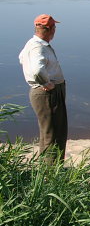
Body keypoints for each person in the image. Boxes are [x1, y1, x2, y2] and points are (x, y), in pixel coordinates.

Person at [19, 14, 67, 162]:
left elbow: (21, 58)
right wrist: (46, 83)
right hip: (47, 93)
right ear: (51, 29)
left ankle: (51, 167)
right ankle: (50, 172)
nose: (55, 30)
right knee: (52, 133)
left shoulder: (33, 43)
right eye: (54, 27)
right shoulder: (37, 47)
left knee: (54, 130)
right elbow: (37, 70)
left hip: (47, 92)